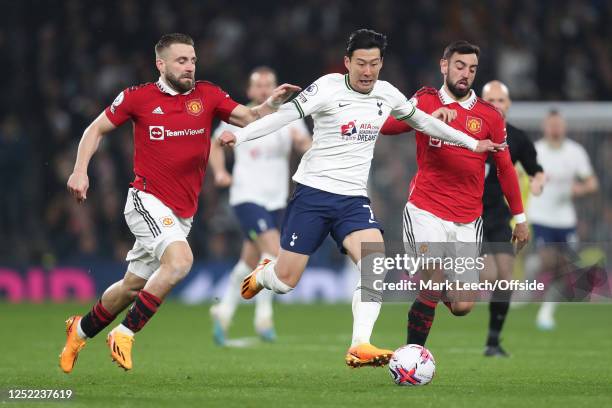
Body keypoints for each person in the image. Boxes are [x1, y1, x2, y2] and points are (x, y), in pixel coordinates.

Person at [218, 29, 503, 367]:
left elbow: (425, 122)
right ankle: (265, 274)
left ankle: (359, 344)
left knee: (375, 264)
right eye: (361, 64)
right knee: (285, 281)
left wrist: (473, 143)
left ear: (381, 64)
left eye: (374, 64)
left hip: (353, 200)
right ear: (347, 63)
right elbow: (283, 117)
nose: (368, 71)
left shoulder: (386, 93)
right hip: (313, 194)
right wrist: (240, 135)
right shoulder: (326, 88)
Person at [59, 33, 300, 373]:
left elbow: (249, 117)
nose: (189, 67)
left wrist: (270, 105)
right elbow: (94, 130)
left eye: (192, 60)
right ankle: (125, 333)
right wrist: (80, 170)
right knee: (180, 261)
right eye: (181, 61)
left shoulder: (208, 94)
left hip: (181, 212)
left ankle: (79, 331)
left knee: (131, 287)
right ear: (161, 64)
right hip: (146, 199)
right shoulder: (137, 97)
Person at [379, 41, 529, 348]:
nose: (466, 74)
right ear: (444, 66)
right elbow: (388, 127)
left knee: (463, 306)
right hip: (426, 210)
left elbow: (505, 170)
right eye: (460, 66)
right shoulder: (425, 99)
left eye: (472, 69)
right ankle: (413, 356)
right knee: (433, 280)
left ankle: (428, 298)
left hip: (467, 220)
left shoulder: (490, 116)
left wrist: (520, 218)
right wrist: (429, 117)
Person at [208, 66, 311, 345]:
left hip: (276, 199)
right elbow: (214, 145)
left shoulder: (289, 116)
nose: (264, 89)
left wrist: (303, 142)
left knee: (250, 261)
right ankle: (263, 317)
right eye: (259, 85)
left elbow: (305, 143)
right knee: (275, 252)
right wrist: (219, 172)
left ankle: (223, 310)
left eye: (269, 84)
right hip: (246, 196)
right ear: (250, 90)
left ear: (277, 87)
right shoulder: (238, 116)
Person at [479, 80, 545, 357]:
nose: (496, 105)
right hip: (467, 214)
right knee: (488, 276)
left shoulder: (517, 138)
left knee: (504, 279)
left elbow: (535, 168)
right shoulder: (465, 130)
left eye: (501, 100)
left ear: (509, 104)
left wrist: (538, 180)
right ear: (482, 103)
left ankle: (493, 342)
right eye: (490, 100)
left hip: (497, 216)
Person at [528, 110, 598, 330]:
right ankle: (529, 277)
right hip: (540, 216)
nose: (555, 128)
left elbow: (592, 183)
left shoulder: (575, 152)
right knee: (548, 260)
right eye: (551, 124)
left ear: (564, 127)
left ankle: (546, 311)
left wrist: (580, 188)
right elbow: (521, 178)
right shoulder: (535, 151)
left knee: (566, 268)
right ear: (545, 127)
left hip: (565, 219)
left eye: (559, 124)